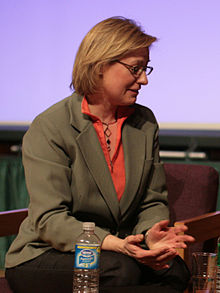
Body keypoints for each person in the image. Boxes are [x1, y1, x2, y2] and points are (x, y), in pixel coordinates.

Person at [5, 16, 194, 293]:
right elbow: (50, 219)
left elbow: (152, 200)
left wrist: (150, 235)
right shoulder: (51, 126)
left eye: (145, 69)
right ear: (100, 66)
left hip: (119, 252)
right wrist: (117, 246)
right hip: (48, 254)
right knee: (119, 271)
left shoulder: (145, 122)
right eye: (135, 68)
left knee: (175, 271)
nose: (143, 80)